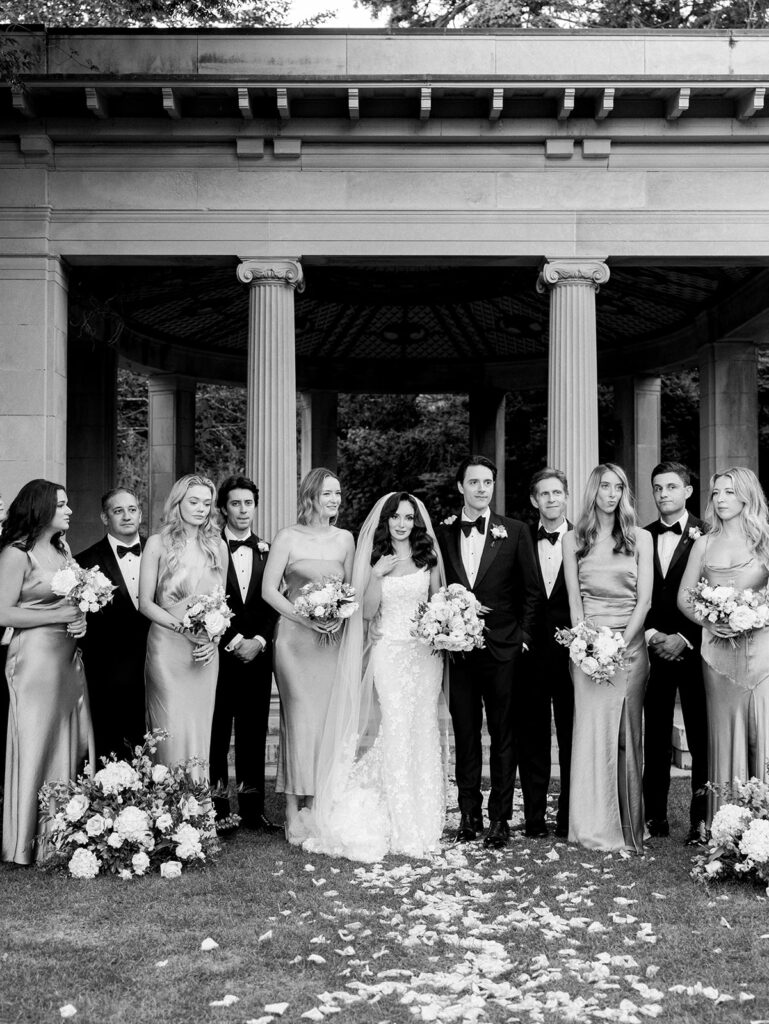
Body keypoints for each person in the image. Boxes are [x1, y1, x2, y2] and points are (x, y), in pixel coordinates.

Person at [304, 492, 448, 862]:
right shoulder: (377, 559)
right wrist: (376, 575)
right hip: (389, 652)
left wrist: (446, 628)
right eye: (396, 517)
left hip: (425, 655)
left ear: (416, 520)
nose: (402, 523)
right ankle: (402, 825)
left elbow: (438, 603)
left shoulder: (428, 555)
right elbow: (367, 613)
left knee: (424, 728)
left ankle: (427, 817)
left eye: (408, 517)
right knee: (398, 728)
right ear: (386, 521)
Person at [437, 455, 541, 850]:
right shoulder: (444, 534)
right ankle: (468, 815)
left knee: (502, 735)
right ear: (460, 487)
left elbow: (531, 591)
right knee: (465, 734)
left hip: (503, 651)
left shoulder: (514, 531)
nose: (482, 489)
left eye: (488, 482)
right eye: (474, 482)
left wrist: (523, 638)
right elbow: (438, 586)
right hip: (460, 654)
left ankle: (500, 819)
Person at [0, 480, 93, 865]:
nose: (69, 510)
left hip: (67, 658)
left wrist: (81, 619)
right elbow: (2, 613)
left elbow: (75, 603)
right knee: (35, 740)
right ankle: (24, 842)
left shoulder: (62, 551)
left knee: (69, 738)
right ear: (39, 508)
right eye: (61, 504)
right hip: (34, 661)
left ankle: (60, 835)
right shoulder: (16, 554)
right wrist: (57, 615)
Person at [562, 463, 653, 855]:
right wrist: (587, 647)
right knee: (589, 734)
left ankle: (629, 827)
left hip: (629, 649)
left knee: (626, 738)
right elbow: (574, 603)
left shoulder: (640, 538)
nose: (612, 494)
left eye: (619, 487)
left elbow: (645, 600)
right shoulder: (573, 539)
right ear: (593, 491)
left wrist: (619, 644)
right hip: (587, 651)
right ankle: (589, 826)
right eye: (604, 487)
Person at [262, 467, 354, 843]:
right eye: (327, 493)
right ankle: (290, 808)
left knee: (325, 722)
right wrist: (305, 616)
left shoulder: (345, 539)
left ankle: (317, 804)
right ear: (311, 495)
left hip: (329, 642)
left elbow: (349, 591)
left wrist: (336, 617)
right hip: (294, 641)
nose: (334, 499)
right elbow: (270, 591)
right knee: (298, 719)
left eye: (338, 493)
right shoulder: (288, 536)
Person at [678, 467, 769, 826]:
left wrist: (758, 613)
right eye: (716, 493)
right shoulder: (704, 542)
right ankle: (728, 825)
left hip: (761, 653)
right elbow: (686, 598)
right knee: (723, 733)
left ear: (746, 495)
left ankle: (762, 825)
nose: (720, 499)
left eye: (729, 492)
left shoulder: (765, 539)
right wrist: (709, 621)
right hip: (716, 655)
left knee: (762, 730)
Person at [139, 475, 227, 780]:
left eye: (206, 503)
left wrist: (214, 639)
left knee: (199, 728)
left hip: (204, 653)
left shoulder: (217, 546)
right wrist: (181, 627)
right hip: (167, 647)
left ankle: (198, 812)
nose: (201, 509)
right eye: (194, 502)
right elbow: (145, 603)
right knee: (170, 729)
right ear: (178, 502)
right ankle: (169, 811)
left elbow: (222, 604)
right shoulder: (157, 543)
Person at [642, 462, 708, 844]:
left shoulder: (709, 534)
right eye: (657, 487)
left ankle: (701, 820)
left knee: (701, 738)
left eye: (671, 486)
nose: (663, 493)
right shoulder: (641, 536)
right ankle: (655, 817)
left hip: (696, 651)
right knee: (654, 734)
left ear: (687, 490)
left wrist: (684, 636)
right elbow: (640, 594)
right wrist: (652, 634)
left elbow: (715, 592)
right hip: (654, 650)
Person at [210, 475, 280, 832]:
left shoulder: (270, 550)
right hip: (220, 656)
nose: (242, 510)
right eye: (235, 503)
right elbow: (206, 602)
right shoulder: (209, 549)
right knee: (218, 734)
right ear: (223, 508)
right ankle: (219, 813)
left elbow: (273, 605)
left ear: (255, 506)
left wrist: (260, 642)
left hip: (259, 656)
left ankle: (253, 812)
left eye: (248, 503)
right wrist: (236, 641)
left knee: (253, 734)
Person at [75, 488, 150, 764]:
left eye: (132, 509)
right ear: (104, 518)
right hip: (108, 672)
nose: (127, 516)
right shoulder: (84, 562)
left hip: (157, 663)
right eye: (118, 511)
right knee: (112, 745)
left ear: (140, 513)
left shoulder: (161, 554)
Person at [520, 468, 573, 839]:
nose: (551, 499)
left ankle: (571, 816)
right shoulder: (521, 537)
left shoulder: (586, 539)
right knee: (532, 737)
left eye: (557, 493)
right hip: (531, 653)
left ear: (566, 497)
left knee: (573, 737)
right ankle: (535, 819)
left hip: (574, 654)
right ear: (534, 500)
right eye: (544, 494)